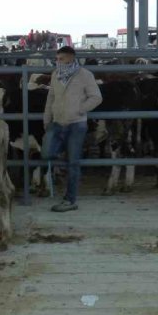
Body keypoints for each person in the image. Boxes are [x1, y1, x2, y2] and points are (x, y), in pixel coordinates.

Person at [43, 46, 103, 213]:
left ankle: (70, 199)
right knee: (47, 152)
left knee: (73, 163)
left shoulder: (85, 75)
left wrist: (80, 109)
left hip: (77, 123)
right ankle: (63, 159)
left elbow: (96, 97)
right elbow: (51, 98)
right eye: (57, 59)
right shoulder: (56, 75)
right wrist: (47, 118)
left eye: (61, 59)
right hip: (57, 122)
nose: (58, 62)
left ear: (70, 58)